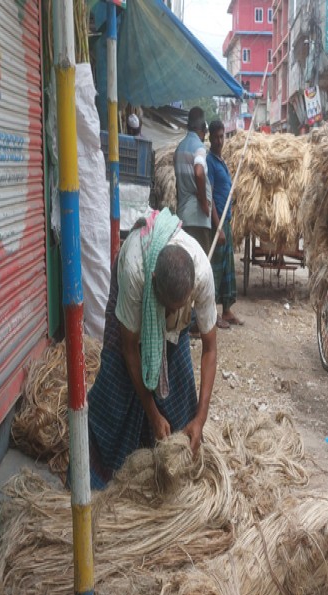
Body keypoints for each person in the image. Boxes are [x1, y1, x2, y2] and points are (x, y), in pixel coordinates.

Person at [86, 208, 218, 489]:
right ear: (155, 279)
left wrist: (200, 418)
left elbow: (210, 349)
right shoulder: (134, 270)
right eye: (166, 307)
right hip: (131, 303)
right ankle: (99, 480)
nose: (168, 313)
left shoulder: (202, 274)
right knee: (115, 391)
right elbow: (130, 348)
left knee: (180, 401)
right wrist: (152, 413)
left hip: (175, 317)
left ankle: (166, 479)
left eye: (178, 307)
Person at [206, 120, 244, 328]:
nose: (220, 141)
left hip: (226, 221)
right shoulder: (210, 162)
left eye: (222, 136)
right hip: (217, 223)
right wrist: (218, 226)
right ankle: (212, 313)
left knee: (228, 267)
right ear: (210, 138)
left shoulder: (221, 161)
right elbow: (209, 194)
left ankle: (227, 310)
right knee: (216, 269)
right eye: (216, 137)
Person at [174, 107, 224, 255]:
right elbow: (199, 172)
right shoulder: (199, 148)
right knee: (200, 270)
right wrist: (203, 203)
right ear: (202, 128)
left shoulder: (179, 149)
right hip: (198, 221)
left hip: (183, 218)